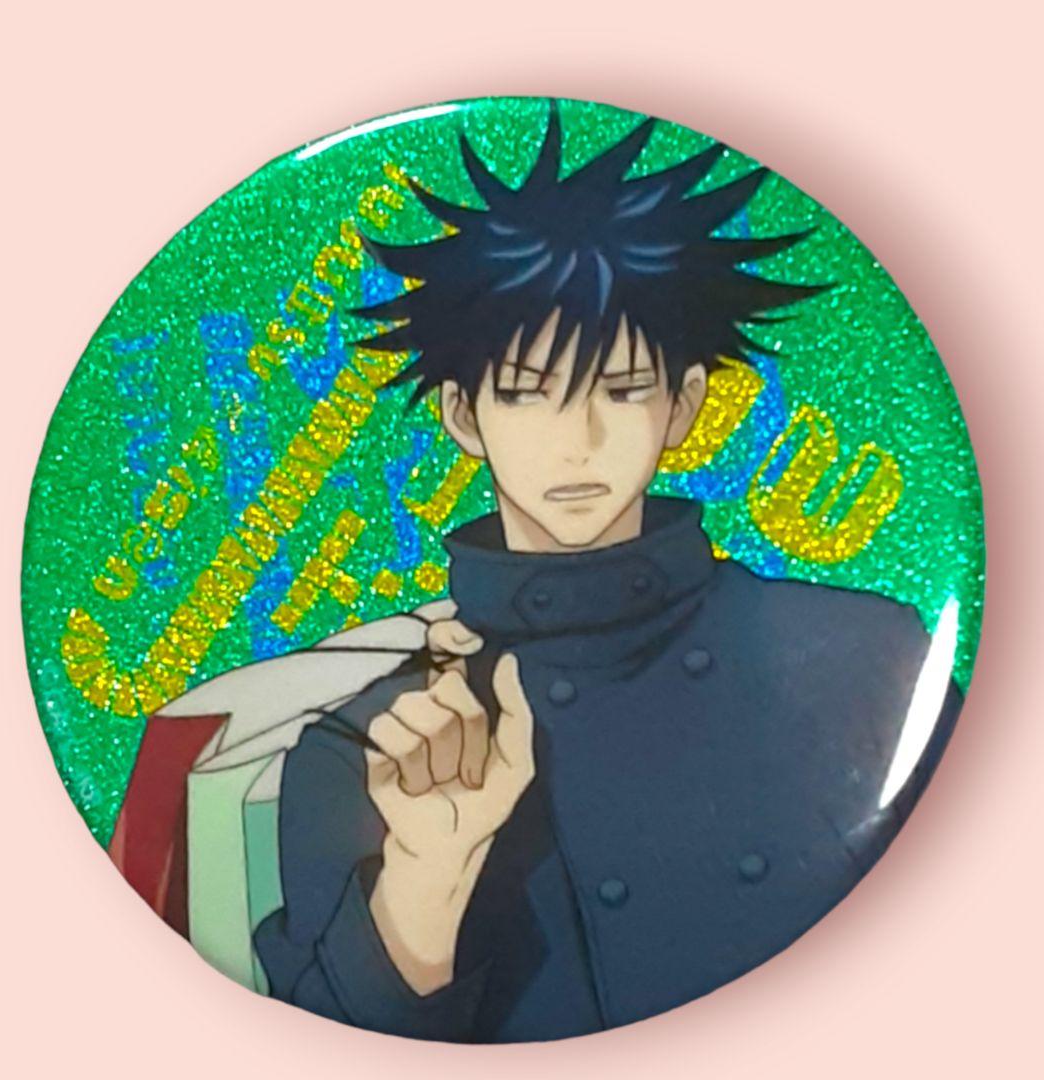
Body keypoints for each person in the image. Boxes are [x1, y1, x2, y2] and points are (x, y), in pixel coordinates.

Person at [248, 103, 962, 1041]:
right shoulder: (382, 749)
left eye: (622, 390)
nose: (578, 440)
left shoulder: (867, 658)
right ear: (463, 417)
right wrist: (426, 880)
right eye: (527, 394)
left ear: (682, 406)